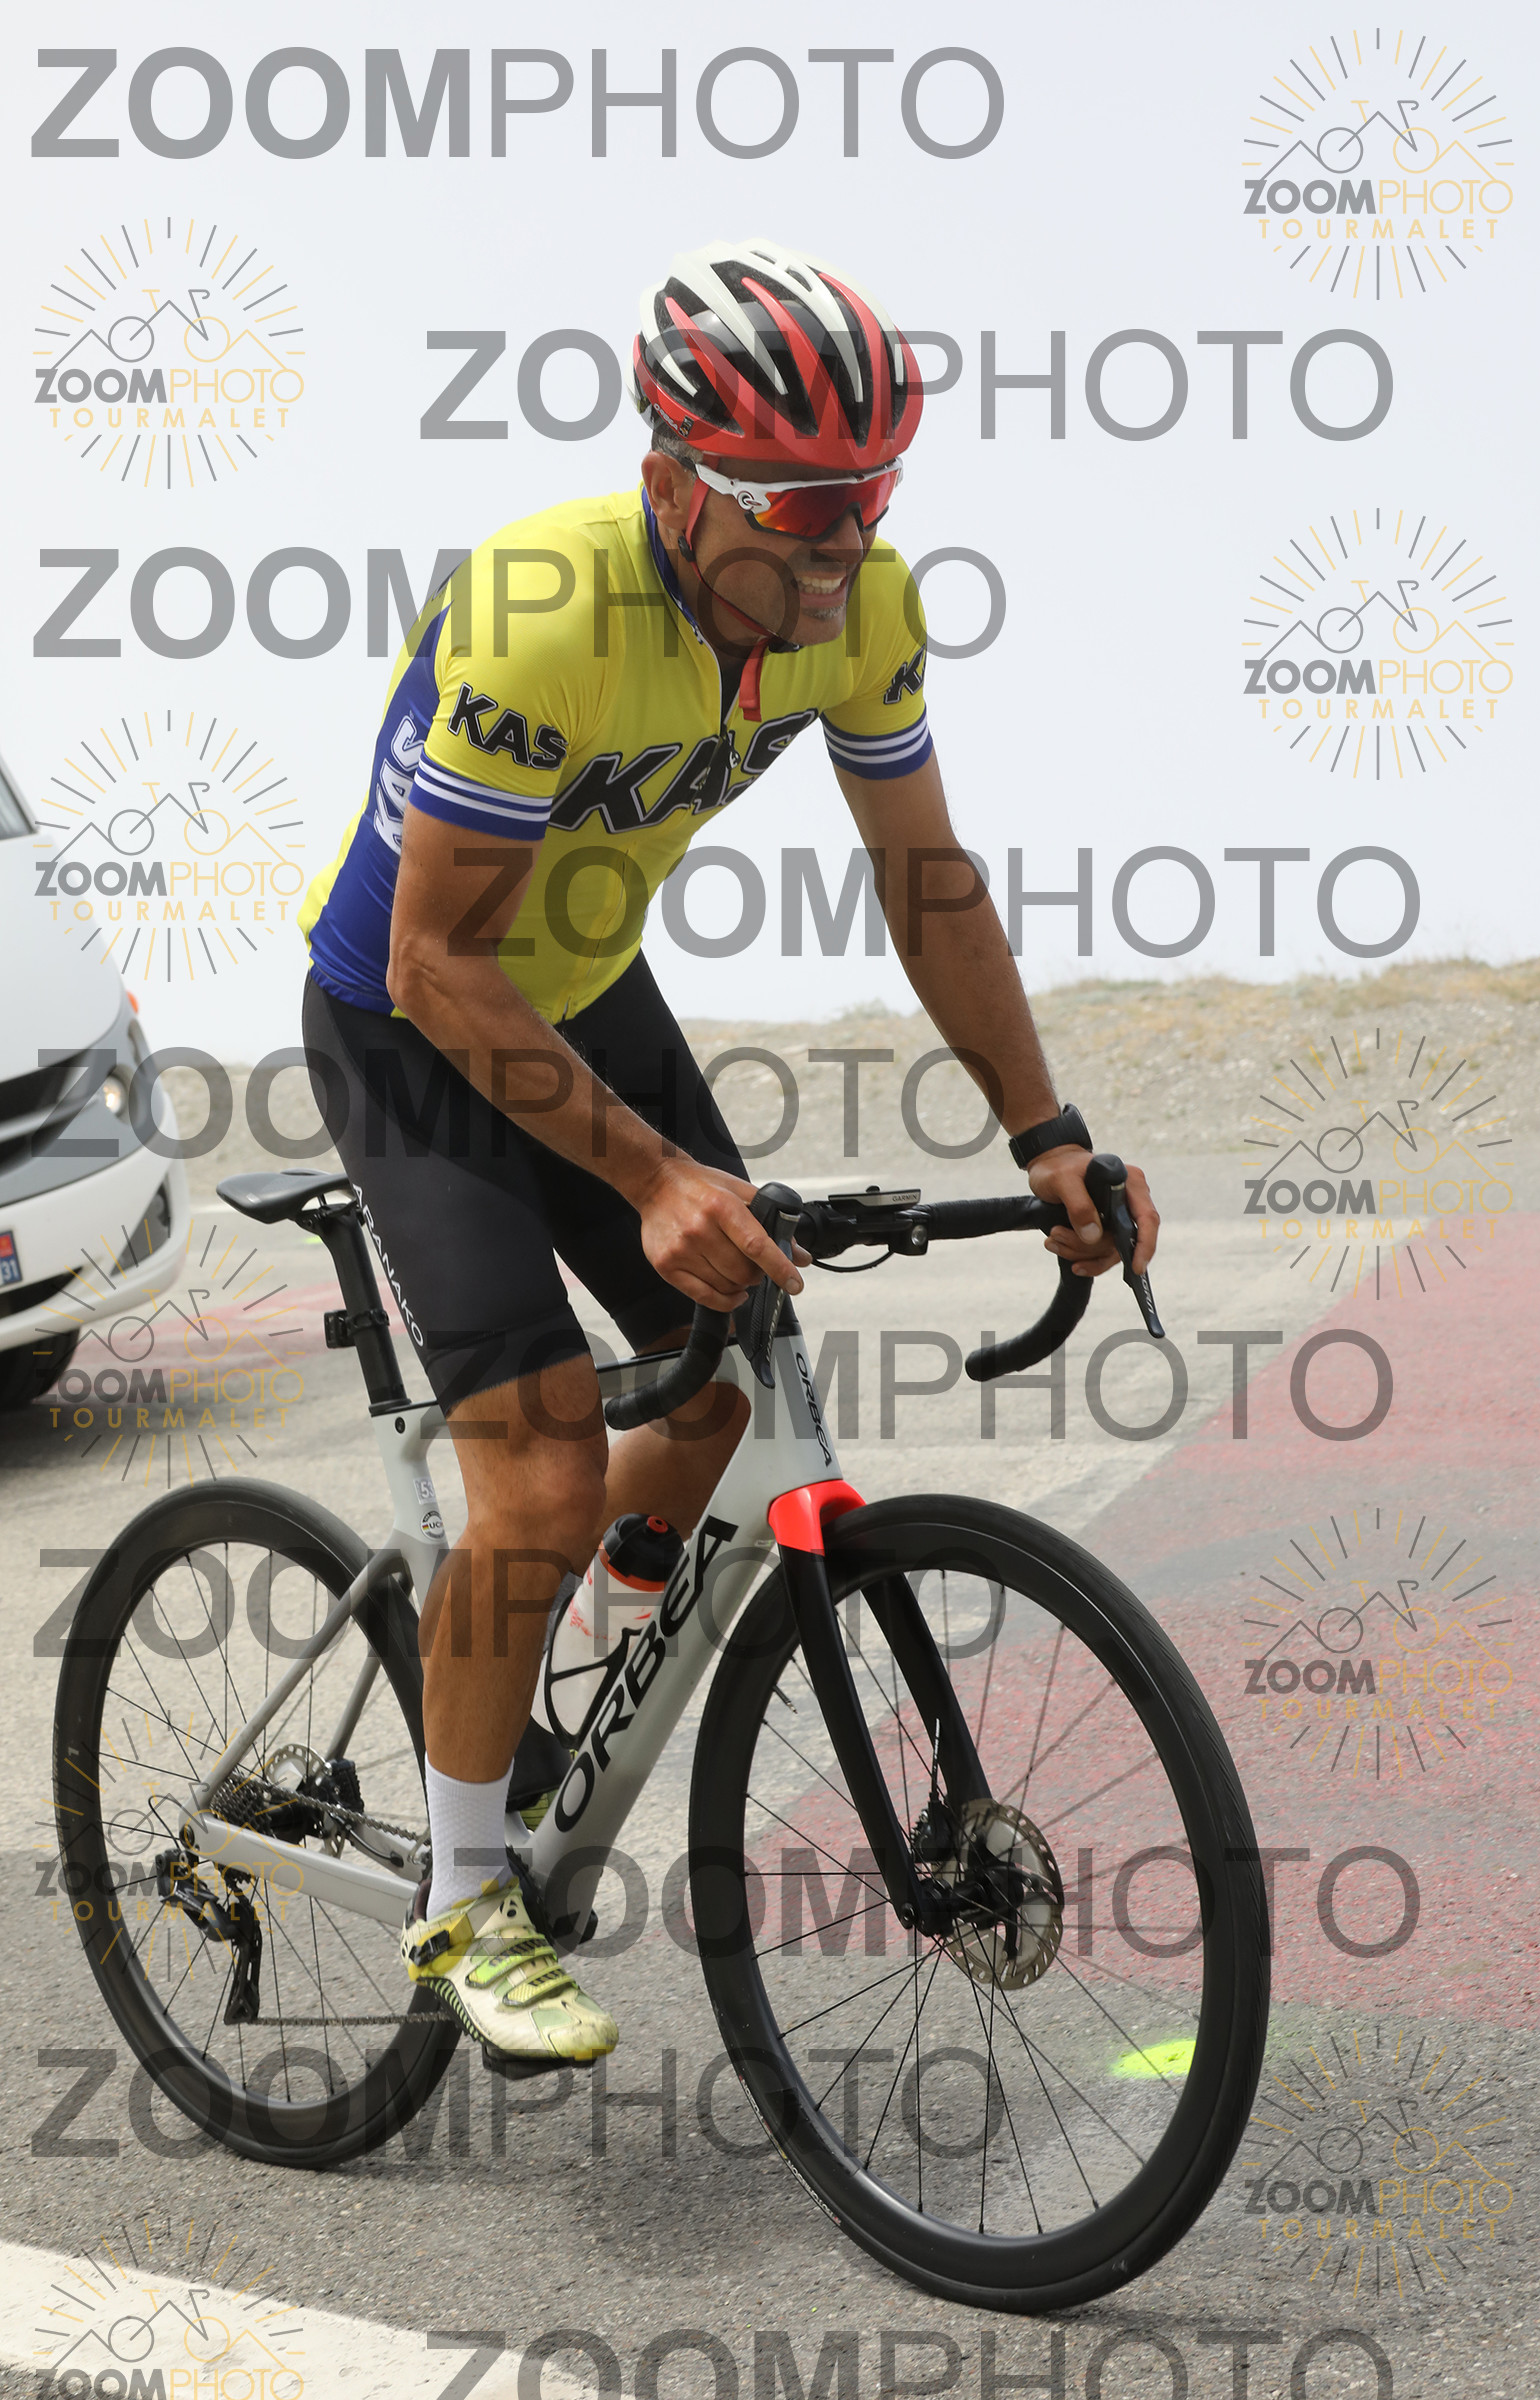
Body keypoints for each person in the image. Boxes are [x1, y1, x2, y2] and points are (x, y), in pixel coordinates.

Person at [297, 236, 1158, 2072]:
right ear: (676, 483)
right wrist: (651, 1178)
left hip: (586, 993)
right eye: (800, 510)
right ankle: (466, 1894)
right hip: (412, 1021)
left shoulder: (860, 607)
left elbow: (927, 884)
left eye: (872, 500)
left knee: (725, 1375)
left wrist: (1048, 1132)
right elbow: (435, 962)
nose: (840, 549)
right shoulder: (546, 610)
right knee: (536, 1472)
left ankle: (568, 1655)